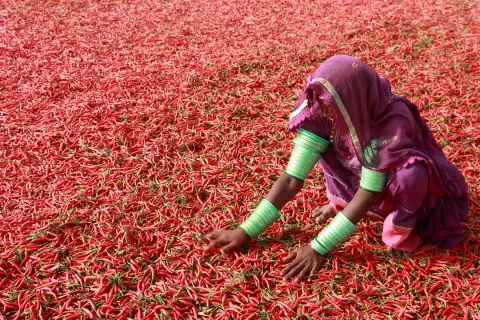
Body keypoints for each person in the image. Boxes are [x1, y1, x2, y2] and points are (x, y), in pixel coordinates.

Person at [204, 55, 469, 282]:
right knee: (326, 146)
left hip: (393, 181)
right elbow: (291, 179)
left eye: (333, 105)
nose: (326, 112)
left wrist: (318, 247)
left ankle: (399, 228)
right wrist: (247, 230)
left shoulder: (389, 121)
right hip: (360, 175)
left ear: (354, 99)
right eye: (324, 104)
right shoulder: (320, 109)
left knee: (411, 176)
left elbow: (369, 190)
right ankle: (340, 202)